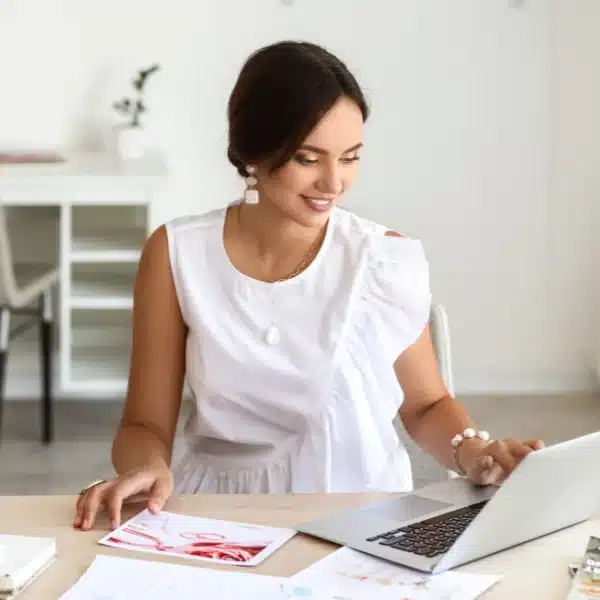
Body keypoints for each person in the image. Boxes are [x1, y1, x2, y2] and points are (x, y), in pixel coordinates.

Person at [74, 40, 544, 531]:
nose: (333, 182)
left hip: (364, 514)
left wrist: (475, 453)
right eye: (308, 158)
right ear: (253, 151)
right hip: (220, 516)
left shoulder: (382, 260)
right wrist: (146, 465)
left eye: (350, 157)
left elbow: (426, 406)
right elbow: (144, 424)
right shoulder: (176, 254)